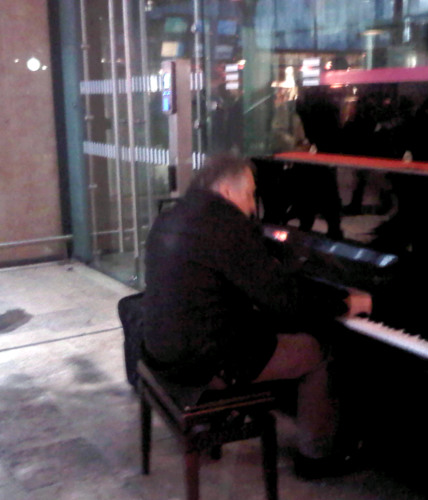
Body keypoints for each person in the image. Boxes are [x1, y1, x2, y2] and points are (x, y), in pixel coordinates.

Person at [142, 154, 372, 479]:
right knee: (320, 349)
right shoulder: (226, 225)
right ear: (225, 189)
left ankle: (222, 418)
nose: (252, 206)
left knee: (276, 328)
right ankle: (317, 458)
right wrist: (347, 302)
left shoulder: (174, 214)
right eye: (249, 194)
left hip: (163, 347)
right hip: (204, 360)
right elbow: (286, 301)